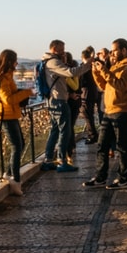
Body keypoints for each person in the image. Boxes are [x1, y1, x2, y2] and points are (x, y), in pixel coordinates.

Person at [83, 38, 127, 189]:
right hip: (109, 110)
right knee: (102, 145)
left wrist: (104, 70)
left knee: (122, 146)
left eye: (114, 51)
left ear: (123, 50)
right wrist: (96, 72)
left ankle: (123, 178)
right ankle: (100, 177)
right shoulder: (118, 65)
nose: (112, 54)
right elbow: (105, 85)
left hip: (123, 110)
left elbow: (120, 86)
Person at [39, 39, 91, 172]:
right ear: (55, 48)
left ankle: (49, 159)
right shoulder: (53, 62)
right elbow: (71, 73)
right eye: (62, 49)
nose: (64, 52)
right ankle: (62, 161)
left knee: (55, 130)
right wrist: (87, 64)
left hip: (53, 101)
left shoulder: (46, 62)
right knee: (65, 130)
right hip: (59, 101)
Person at [0, 49, 34, 196]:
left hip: (11, 116)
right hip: (5, 117)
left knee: (20, 144)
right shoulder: (2, 79)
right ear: (9, 61)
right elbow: (8, 100)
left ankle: (8, 173)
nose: (17, 63)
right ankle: (15, 180)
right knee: (17, 146)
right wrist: (27, 92)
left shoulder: (7, 77)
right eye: (15, 60)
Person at [79, 46, 102, 143]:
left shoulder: (84, 67)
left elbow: (82, 82)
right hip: (93, 93)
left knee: (87, 115)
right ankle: (93, 134)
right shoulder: (93, 66)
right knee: (90, 115)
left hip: (86, 94)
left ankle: (92, 135)